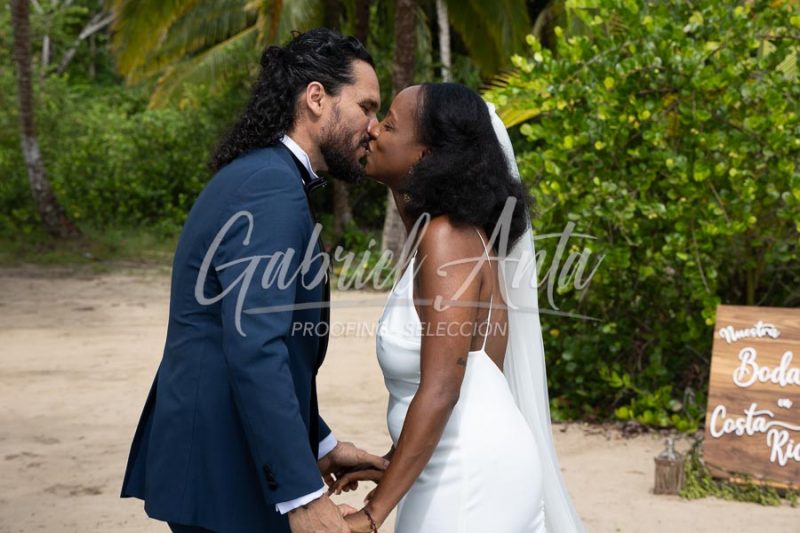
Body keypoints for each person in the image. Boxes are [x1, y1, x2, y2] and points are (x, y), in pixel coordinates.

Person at [120, 28, 387, 533]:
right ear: (315, 98)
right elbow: (255, 348)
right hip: (221, 464)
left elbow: (263, 343)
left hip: (219, 452)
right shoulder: (270, 185)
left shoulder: (262, 174)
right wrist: (304, 495)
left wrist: (322, 444)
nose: (372, 127)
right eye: (366, 106)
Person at [330, 83, 585, 532]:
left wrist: (371, 515)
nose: (371, 129)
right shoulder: (454, 237)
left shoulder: (447, 238)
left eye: (388, 124)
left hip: (468, 476)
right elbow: (486, 373)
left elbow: (445, 387)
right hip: (455, 464)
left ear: (426, 155)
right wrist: (393, 462)